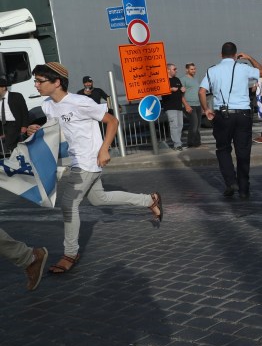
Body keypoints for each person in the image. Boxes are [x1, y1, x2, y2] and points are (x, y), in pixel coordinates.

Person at [28, 62, 162, 275]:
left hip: (89, 160)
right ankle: (149, 200)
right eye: (35, 80)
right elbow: (54, 129)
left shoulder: (80, 102)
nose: (36, 84)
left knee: (68, 204)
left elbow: (112, 121)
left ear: (56, 82)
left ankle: (70, 253)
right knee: (99, 199)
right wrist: (34, 128)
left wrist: (104, 149)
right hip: (76, 159)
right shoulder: (47, 105)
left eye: (39, 81)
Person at [199, 43, 262, 199]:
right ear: (236, 55)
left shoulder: (212, 70)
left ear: (221, 55)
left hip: (222, 115)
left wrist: (206, 109)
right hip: (243, 114)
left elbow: (202, 91)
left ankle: (231, 182)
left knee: (223, 150)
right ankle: (244, 189)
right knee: (243, 152)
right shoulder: (243, 68)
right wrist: (249, 58)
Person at [0, 78, 28, 157]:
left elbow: (24, 112)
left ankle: (17, 158)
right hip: (3, 125)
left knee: (11, 144)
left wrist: (24, 126)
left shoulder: (16, 96)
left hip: (15, 124)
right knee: (7, 146)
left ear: (3, 87)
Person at [162, 63, 187, 151]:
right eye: (174, 69)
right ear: (168, 70)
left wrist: (183, 90)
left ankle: (178, 142)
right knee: (174, 125)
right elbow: (162, 91)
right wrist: (170, 89)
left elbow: (181, 93)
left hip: (178, 106)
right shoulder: (164, 80)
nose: (176, 70)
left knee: (180, 125)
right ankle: (177, 144)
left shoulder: (177, 79)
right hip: (170, 106)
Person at [182, 63, 203, 148]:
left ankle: (197, 143)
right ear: (187, 70)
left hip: (197, 104)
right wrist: (186, 105)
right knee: (194, 124)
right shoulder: (183, 79)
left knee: (198, 125)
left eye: (194, 69)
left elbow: (198, 93)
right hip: (190, 105)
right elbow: (181, 95)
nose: (194, 71)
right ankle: (191, 143)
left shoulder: (196, 79)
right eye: (192, 69)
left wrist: (202, 106)